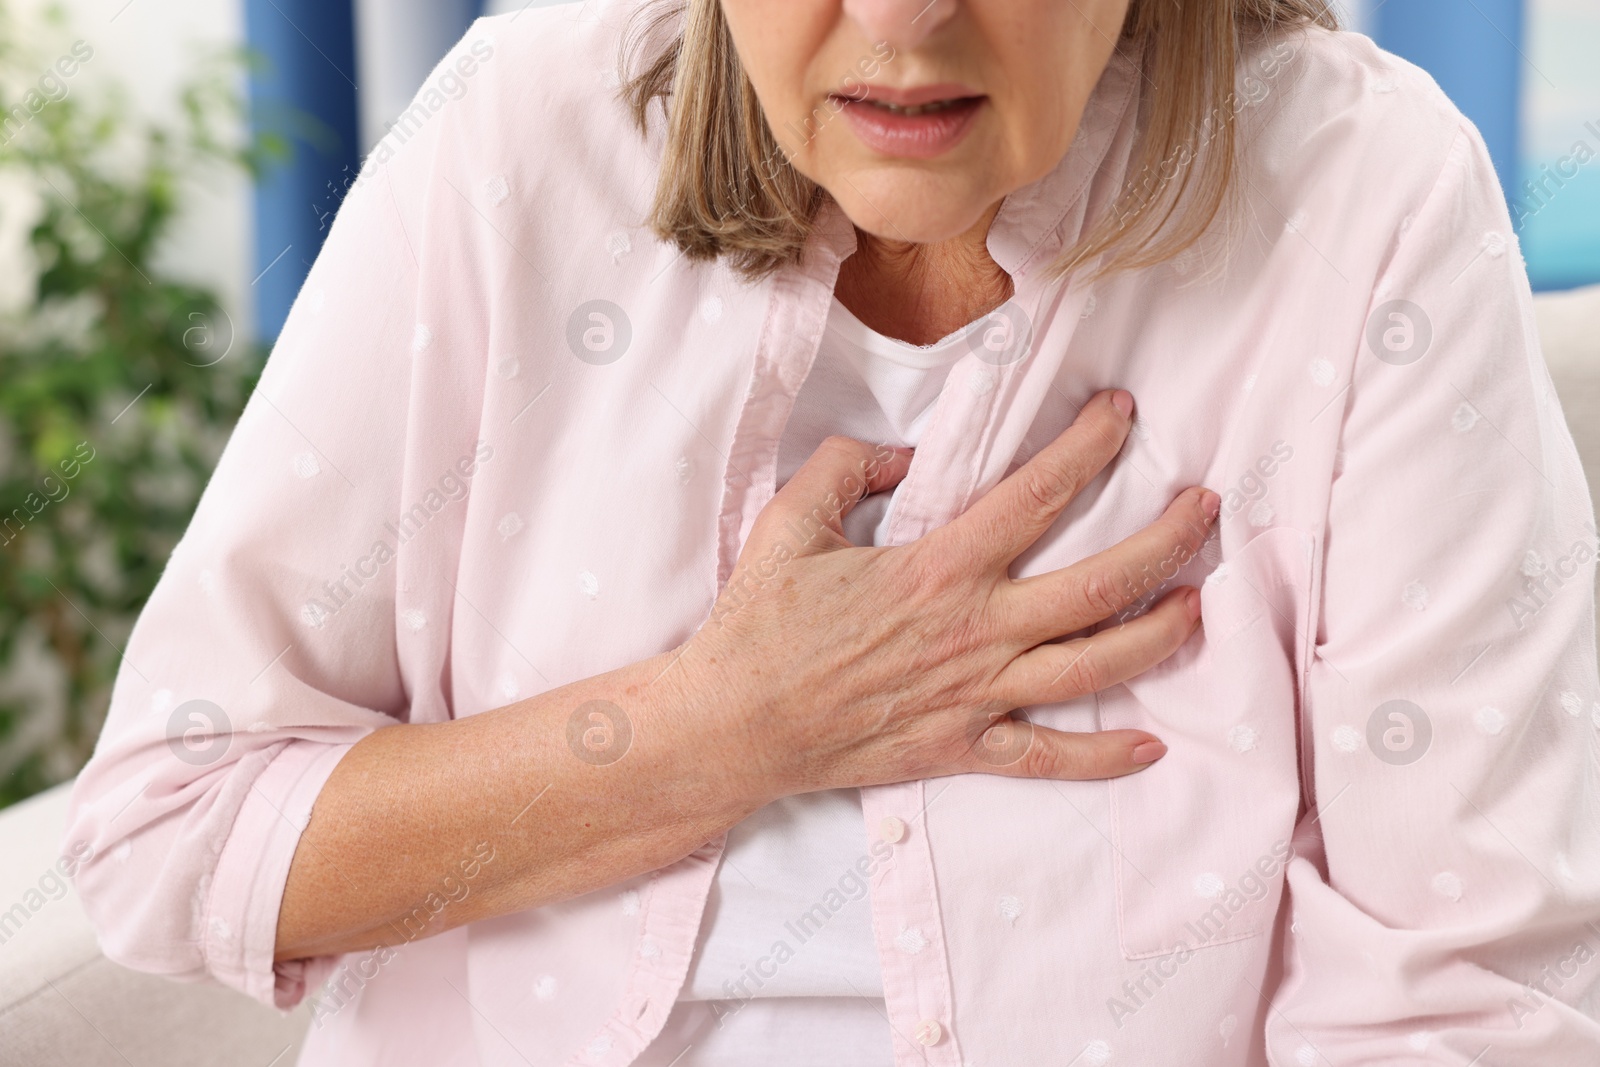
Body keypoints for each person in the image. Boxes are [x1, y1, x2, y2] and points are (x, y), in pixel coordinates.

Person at [64, 0, 1600, 1063]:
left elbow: (1471, 1002)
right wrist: (722, 729)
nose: (901, 20)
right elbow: (166, 833)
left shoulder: (1367, 200)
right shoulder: (510, 145)